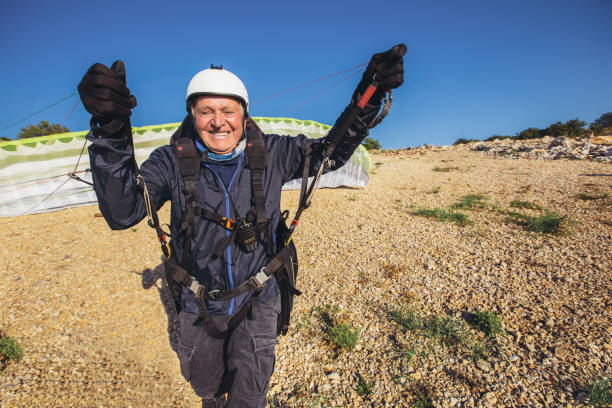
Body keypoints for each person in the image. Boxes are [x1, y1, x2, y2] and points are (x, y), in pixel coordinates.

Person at [77, 45, 405, 408]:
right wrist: (110, 133)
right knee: (208, 389)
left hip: (259, 298)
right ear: (191, 114)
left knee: (249, 395)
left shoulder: (275, 153)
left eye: (227, 110)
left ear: (244, 114)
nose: (218, 121)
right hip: (199, 302)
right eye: (206, 111)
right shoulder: (169, 162)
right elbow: (124, 212)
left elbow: (332, 152)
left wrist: (368, 95)